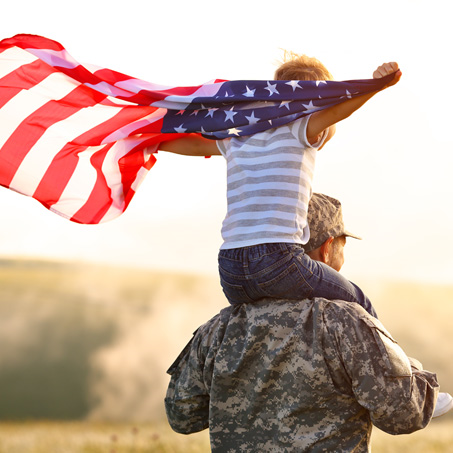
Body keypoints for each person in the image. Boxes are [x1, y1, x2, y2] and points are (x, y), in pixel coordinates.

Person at [164, 193, 451, 452]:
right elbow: (403, 414)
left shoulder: (217, 328)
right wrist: (411, 369)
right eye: (341, 246)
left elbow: (183, 416)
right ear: (327, 249)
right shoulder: (346, 321)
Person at [159, 54, 401, 318]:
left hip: (231, 272)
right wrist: (377, 86)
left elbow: (193, 144)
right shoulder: (300, 128)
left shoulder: (241, 135)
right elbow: (339, 112)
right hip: (278, 262)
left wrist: (145, 141)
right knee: (360, 303)